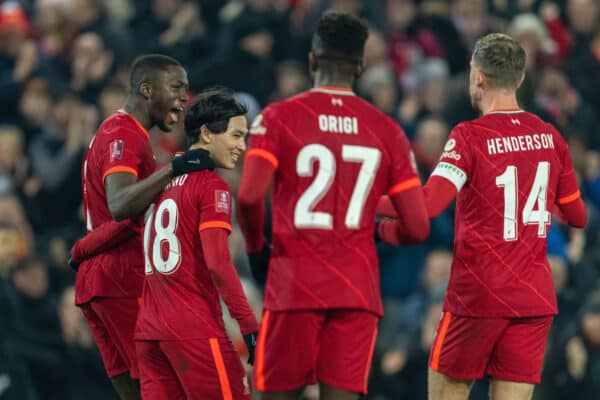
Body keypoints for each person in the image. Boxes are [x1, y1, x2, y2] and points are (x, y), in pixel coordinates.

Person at [377, 33, 587, 400]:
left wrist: (366, 203)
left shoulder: (468, 137)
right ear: (520, 79)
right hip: (533, 297)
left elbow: (425, 208)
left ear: (477, 77)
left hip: (479, 296)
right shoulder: (551, 137)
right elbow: (578, 215)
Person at [236, 11, 430, 400]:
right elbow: (418, 226)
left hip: (295, 283)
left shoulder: (278, 118)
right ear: (360, 66)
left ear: (312, 60)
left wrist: (258, 248)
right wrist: (377, 229)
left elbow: (249, 196)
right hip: (356, 289)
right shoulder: (387, 129)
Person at [75, 54, 214, 400]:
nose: (185, 97)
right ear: (147, 89)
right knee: (163, 388)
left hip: (101, 277)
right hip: (121, 275)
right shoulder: (123, 132)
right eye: (177, 87)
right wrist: (174, 168)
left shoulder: (119, 131)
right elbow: (120, 204)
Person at [134, 87, 258, 399]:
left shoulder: (159, 181)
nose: (241, 146)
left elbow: (122, 228)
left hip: (149, 332)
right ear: (205, 133)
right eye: (235, 135)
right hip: (192, 328)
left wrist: (81, 250)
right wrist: (248, 323)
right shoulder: (211, 187)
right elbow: (217, 262)